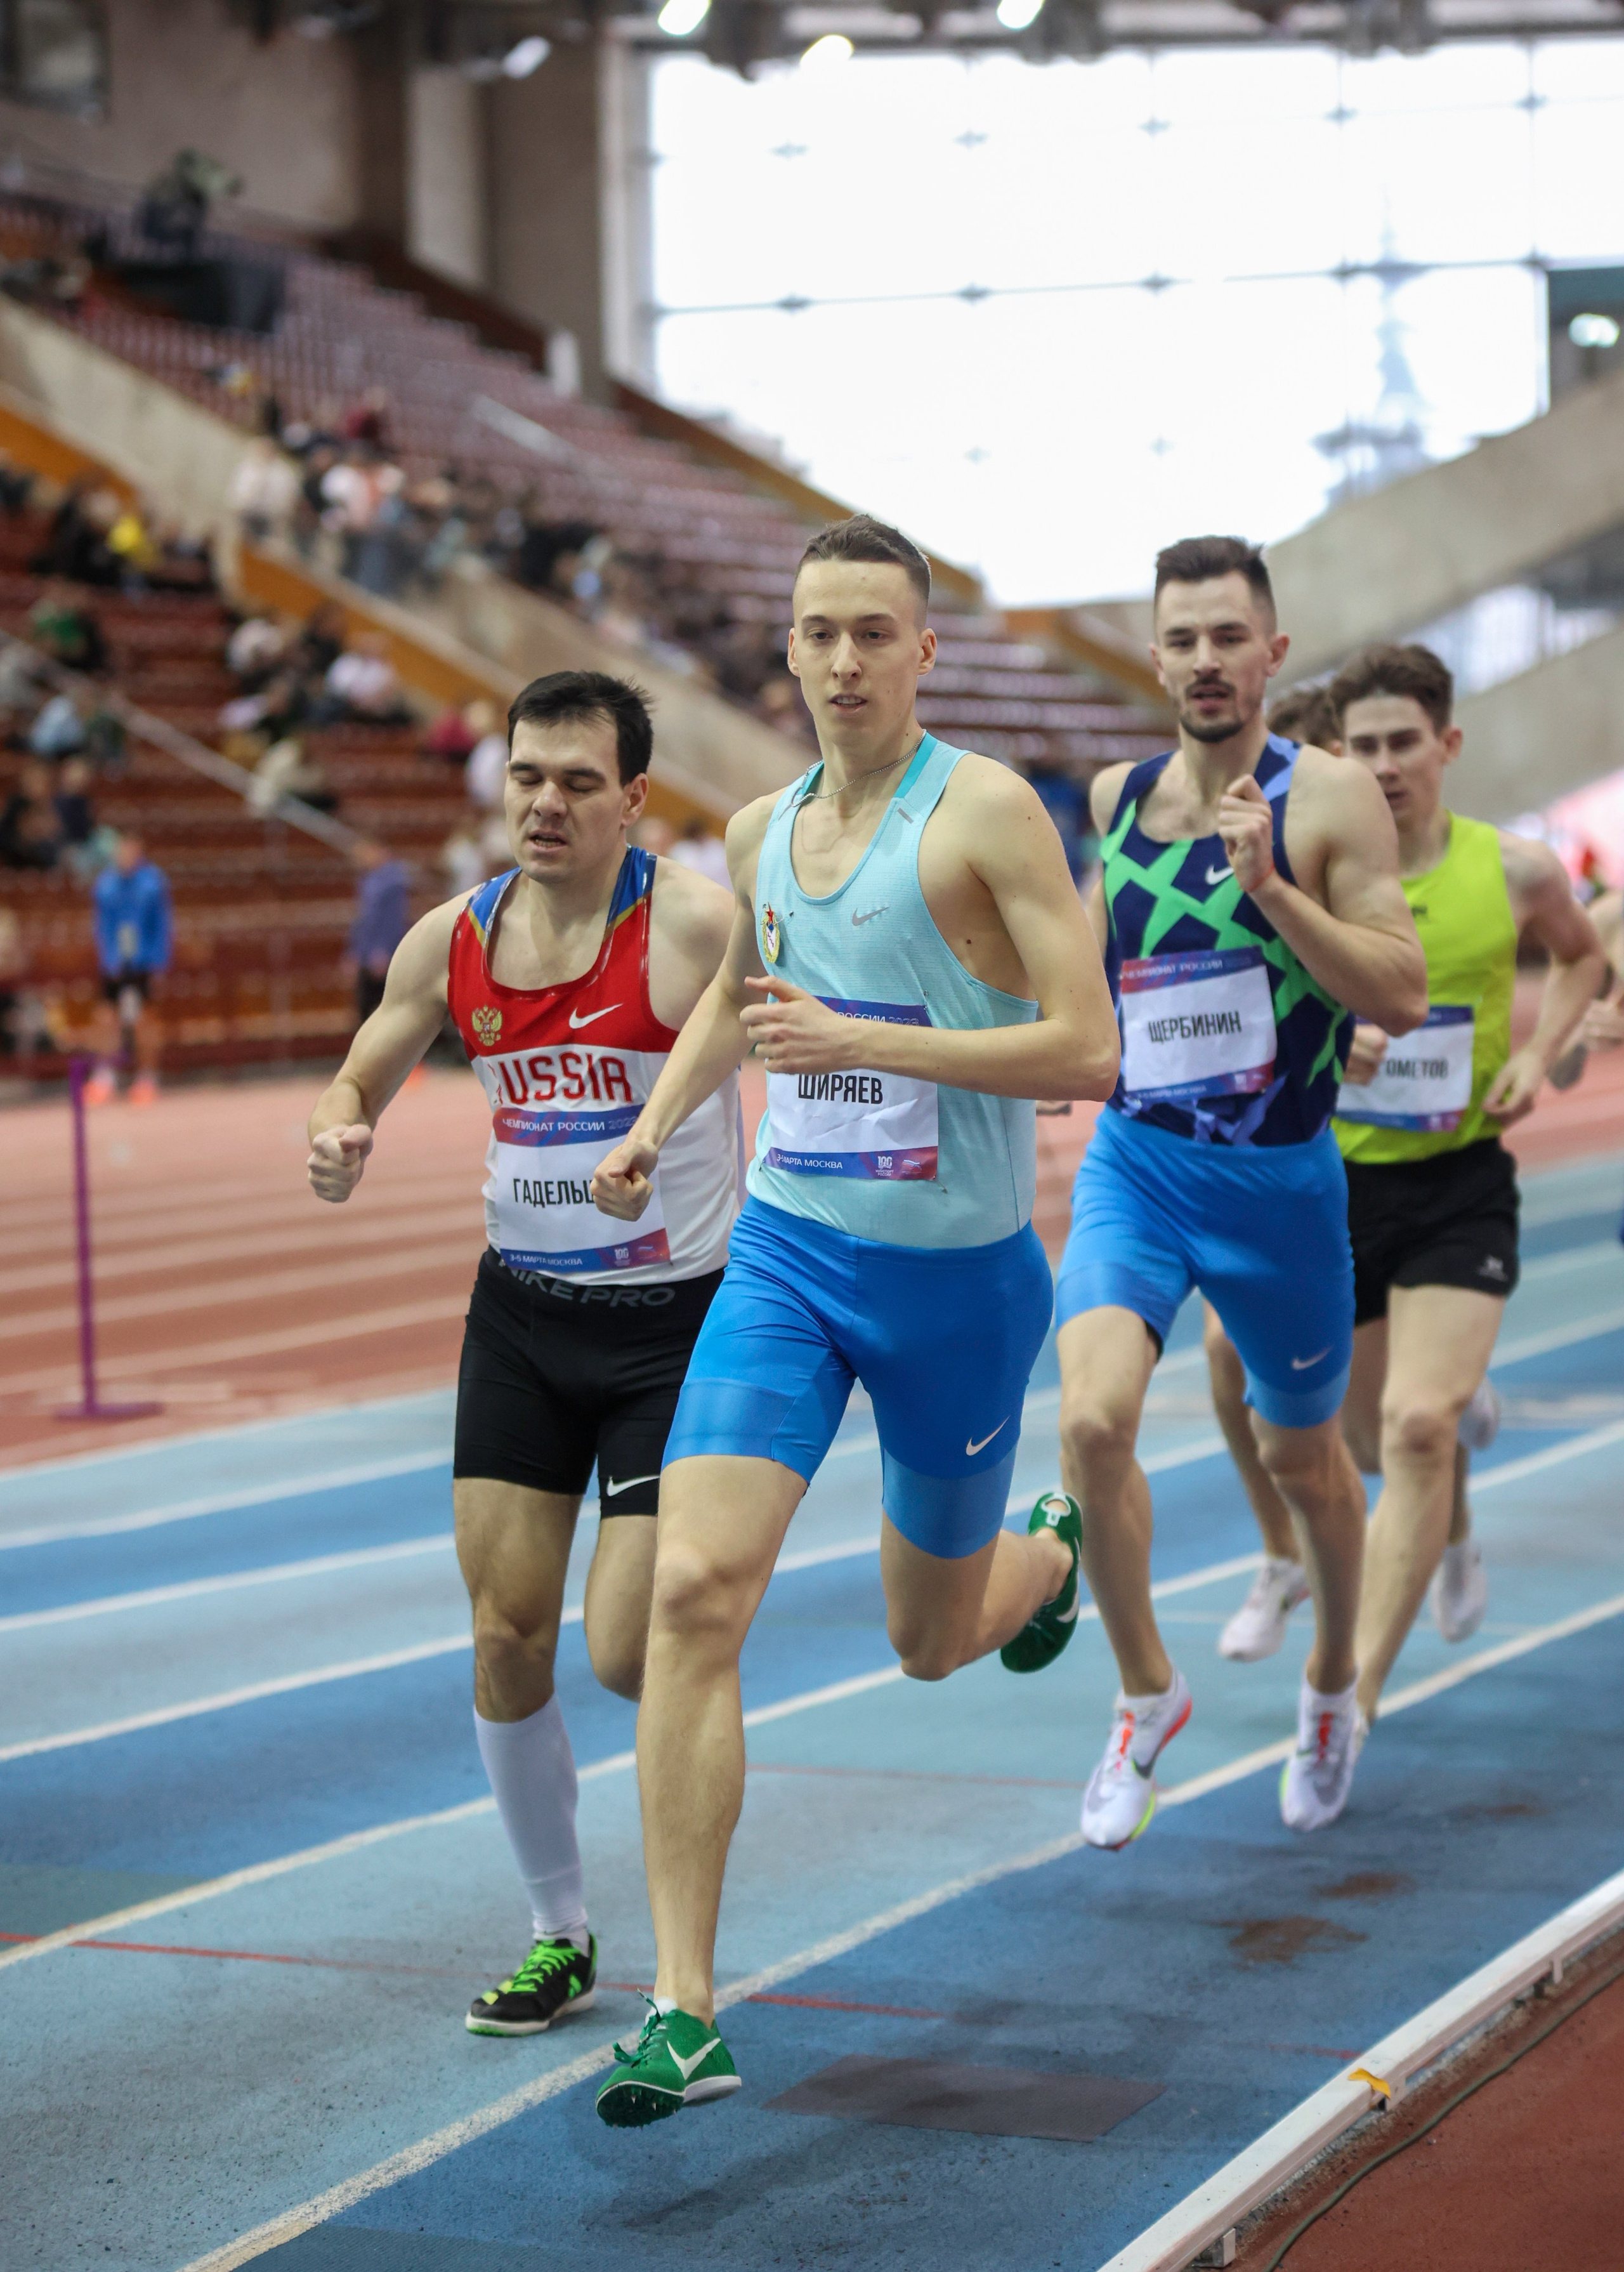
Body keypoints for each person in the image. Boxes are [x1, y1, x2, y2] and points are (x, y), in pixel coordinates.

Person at [586, 514, 1119, 2127]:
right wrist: (654, 1120)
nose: (836, 660)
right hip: (791, 1259)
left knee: (927, 1640)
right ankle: (685, 2004)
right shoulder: (754, 828)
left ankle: (1041, 1560)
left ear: (922, 649)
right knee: (691, 1588)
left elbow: (1086, 1050)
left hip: (958, 1286)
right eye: (815, 631)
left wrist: (860, 1044)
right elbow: (741, 1005)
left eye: (870, 632)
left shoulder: (985, 816)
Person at [305, 670, 738, 2043]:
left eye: (574, 780)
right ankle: (560, 1931)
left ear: (632, 798)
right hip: (523, 1314)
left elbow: (765, 1024)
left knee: (626, 1643)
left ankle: (687, 1820)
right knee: (503, 1632)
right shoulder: (454, 936)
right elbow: (372, 1052)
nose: (545, 803)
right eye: (526, 776)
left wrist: (657, 1133)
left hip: (674, 1326)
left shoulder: (686, 923)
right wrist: (339, 1124)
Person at [1049, 535, 1428, 1850]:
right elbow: (1101, 958)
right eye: (1181, 637)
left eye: (1228, 636)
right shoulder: (1113, 796)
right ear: (1151, 654)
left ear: (1271, 652)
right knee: (1092, 1422)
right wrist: (1066, 1044)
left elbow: (1395, 986)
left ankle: (1329, 1686)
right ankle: (1147, 1691)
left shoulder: (1328, 797)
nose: (1204, 659)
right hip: (1138, 1166)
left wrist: (1270, 887)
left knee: (1303, 1458)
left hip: (1277, 1188)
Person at [1259, 647, 1595, 1721]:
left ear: (1445, 746)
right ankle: (1450, 1515)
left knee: (1412, 1428)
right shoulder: (1308, 878)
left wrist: (1540, 1061)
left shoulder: (1515, 871)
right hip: (1339, 1191)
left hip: (1458, 1181)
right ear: (1338, 763)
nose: (1387, 764)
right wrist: (1323, 1042)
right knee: (1364, 1442)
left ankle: (1344, 1706)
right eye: (1363, 748)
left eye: (1405, 742)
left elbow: (1584, 957)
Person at [1205, 676, 1346, 1662]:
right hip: (1275, 1153)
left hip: (1397, 1165)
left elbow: (1406, 985)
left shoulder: (1466, 865)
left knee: (1395, 1426)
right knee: (1223, 1357)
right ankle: (1279, 1551)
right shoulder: (1231, 839)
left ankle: (1448, 1510)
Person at [86, 834, 173, 1105]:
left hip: (143, 964)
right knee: (105, 1019)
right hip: (114, 965)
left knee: (144, 1023)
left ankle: (146, 1079)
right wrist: (106, 960)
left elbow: (162, 926)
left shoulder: (153, 883)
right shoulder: (106, 885)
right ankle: (105, 1077)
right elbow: (102, 927)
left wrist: (159, 963)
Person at [346, 838, 412, 1027]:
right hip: (368, 952)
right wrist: (355, 952)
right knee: (364, 1009)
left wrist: (384, 950)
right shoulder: (368, 880)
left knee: (386, 1008)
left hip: (380, 954)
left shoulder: (393, 882)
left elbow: (393, 920)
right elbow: (364, 921)